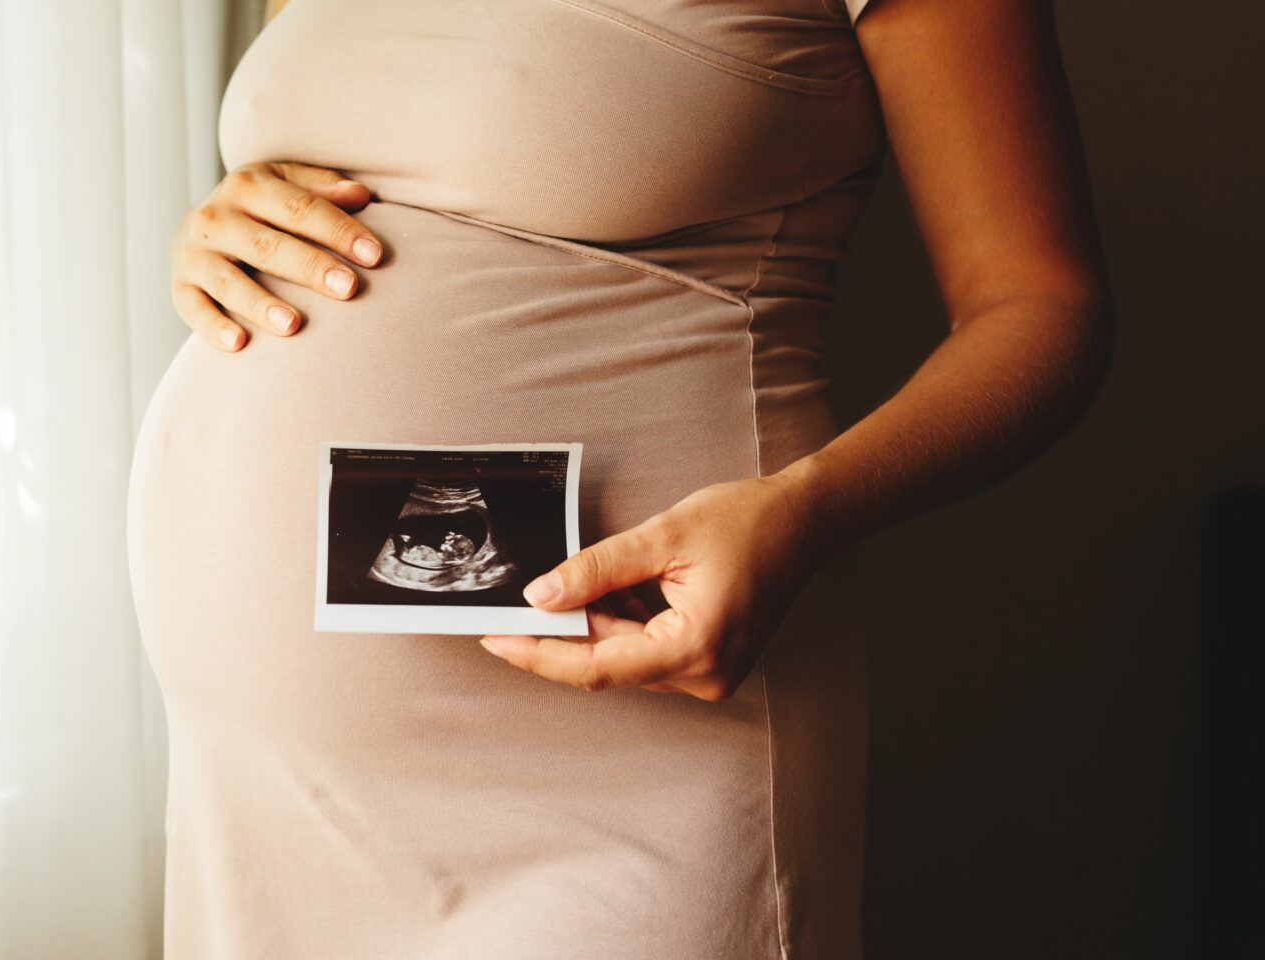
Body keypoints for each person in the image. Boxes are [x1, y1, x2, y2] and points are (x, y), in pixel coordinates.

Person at [125, 0, 1111, 956]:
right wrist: (222, 227)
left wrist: (804, 511)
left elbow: (1039, 305)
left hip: (637, 735)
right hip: (266, 790)